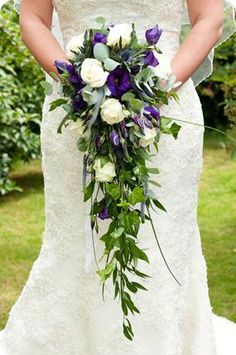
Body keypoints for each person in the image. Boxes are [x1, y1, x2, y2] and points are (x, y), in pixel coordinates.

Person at [0, 0, 235, 354]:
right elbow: (33, 18)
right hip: (75, 114)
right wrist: (76, 82)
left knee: (162, 238)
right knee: (77, 238)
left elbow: (209, 20)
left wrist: (155, 89)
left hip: (165, 114)